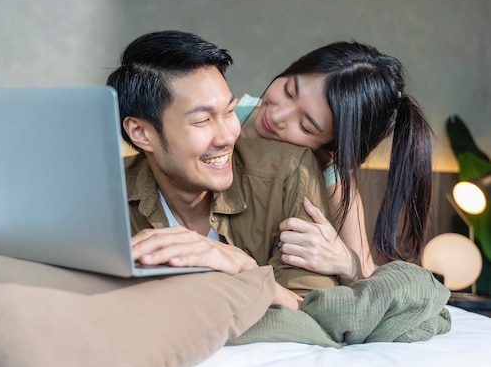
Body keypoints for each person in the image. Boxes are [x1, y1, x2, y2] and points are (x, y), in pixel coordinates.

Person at [106, 30, 339, 309]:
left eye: (229, 111)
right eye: (203, 120)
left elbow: (316, 314)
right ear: (141, 133)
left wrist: (243, 269)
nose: (228, 136)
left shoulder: (289, 172)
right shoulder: (106, 195)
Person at [237, 41, 433, 284]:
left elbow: (366, 277)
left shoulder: (327, 173)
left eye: (306, 126)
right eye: (289, 90)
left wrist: (346, 262)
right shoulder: (217, 116)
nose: (277, 116)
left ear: (330, 147)